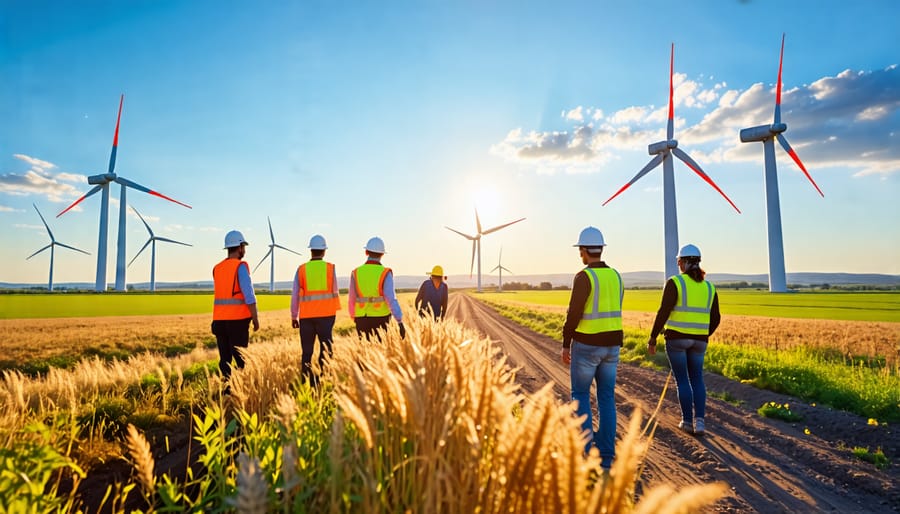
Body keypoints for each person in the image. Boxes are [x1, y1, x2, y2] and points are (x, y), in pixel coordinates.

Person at [560, 226, 624, 471]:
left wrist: (566, 343)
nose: (580, 255)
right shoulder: (616, 276)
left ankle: (587, 453)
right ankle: (607, 457)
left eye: (580, 250)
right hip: (612, 346)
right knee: (607, 397)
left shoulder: (584, 277)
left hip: (587, 345)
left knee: (580, 395)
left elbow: (573, 313)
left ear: (584, 251)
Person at [647, 244, 720, 436]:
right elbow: (716, 318)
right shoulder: (709, 287)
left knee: (682, 381)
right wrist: (703, 333)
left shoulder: (675, 282)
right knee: (697, 379)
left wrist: (653, 337)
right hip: (700, 342)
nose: (678, 264)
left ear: (684, 262)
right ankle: (701, 422)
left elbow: (663, 312)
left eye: (679, 261)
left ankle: (687, 421)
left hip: (677, 340)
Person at [291, 234, 340, 386]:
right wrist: (333, 313)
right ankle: (323, 380)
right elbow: (335, 292)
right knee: (326, 350)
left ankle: (307, 383)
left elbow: (295, 295)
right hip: (326, 316)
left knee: (307, 352)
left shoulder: (301, 270)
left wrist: (294, 316)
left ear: (310, 251)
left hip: (306, 317)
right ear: (324, 251)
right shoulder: (330, 268)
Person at [212, 230, 260, 386]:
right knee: (241, 360)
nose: (244, 250)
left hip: (219, 322)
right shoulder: (240, 267)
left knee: (225, 360)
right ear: (239, 247)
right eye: (243, 246)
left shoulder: (217, 268)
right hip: (237, 322)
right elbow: (249, 295)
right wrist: (255, 318)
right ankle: (239, 390)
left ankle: (226, 390)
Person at [348, 237, 405, 340]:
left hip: (361, 318)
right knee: (379, 352)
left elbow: (351, 298)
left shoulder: (356, 272)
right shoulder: (385, 273)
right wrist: (399, 320)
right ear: (382, 254)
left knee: (364, 352)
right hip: (380, 318)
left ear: (366, 252)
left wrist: (355, 317)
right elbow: (391, 299)